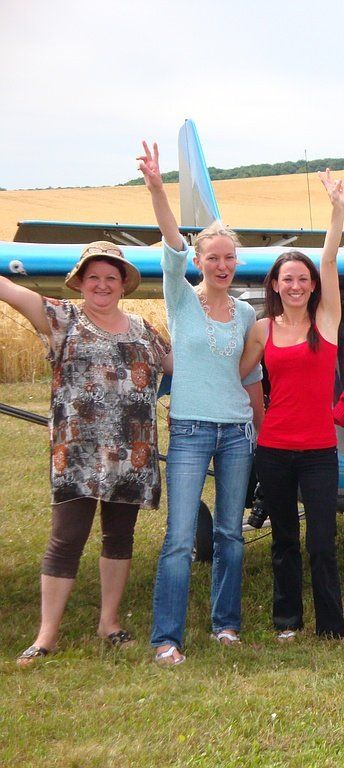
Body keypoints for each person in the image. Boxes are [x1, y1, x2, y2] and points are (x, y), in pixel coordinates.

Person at [2, 242, 172, 666]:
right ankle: (46, 635)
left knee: (119, 537)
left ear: (123, 285)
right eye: (93, 277)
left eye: (110, 278)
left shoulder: (145, 330)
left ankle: (110, 623)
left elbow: (184, 367)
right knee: (66, 539)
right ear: (80, 282)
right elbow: (9, 291)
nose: (102, 285)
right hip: (77, 455)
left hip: (131, 455)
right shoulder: (62, 318)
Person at [139, 141, 265, 666]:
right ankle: (167, 637)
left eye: (229, 258)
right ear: (199, 262)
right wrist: (155, 188)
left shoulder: (243, 316)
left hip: (237, 432)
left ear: (236, 263)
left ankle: (226, 624)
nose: (221, 264)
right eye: (212, 257)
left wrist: (263, 429)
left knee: (232, 534)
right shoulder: (180, 300)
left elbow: (251, 376)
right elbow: (171, 244)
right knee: (178, 537)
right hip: (190, 430)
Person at [238, 171, 344, 642]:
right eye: (288, 279)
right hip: (275, 449)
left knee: (321, 543)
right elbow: (240, 375)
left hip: (320, 450)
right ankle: (287, 622)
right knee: (284, 540)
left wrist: (337, 209)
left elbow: (329, 257)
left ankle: (332, 624)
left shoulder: (325, 322)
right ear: (276, 284)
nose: (296, 285)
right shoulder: (262, 330)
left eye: (302, 279)